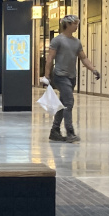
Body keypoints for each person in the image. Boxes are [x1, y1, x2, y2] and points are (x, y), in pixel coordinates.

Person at [42, 14, 100, 143]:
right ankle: (70, 132)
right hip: (60, 76)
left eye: (77, 24)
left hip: (71, 76)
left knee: (63, 104)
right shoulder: (57, 40)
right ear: (67, 24)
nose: (77, 26)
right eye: (75, 24)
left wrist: (93, 69)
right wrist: (46, 76)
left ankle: (55, 131)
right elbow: (50, 58)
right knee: (69, 102)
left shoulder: (76, 42)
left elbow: (83, 58)